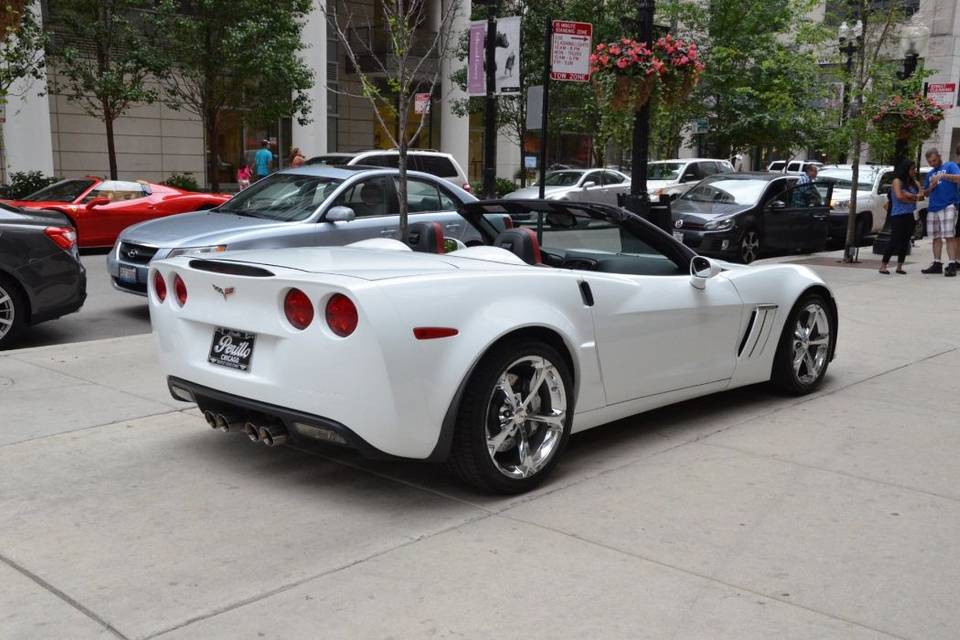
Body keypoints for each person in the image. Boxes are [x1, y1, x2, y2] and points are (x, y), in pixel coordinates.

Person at [920, 148, 960, 277]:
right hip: (933, 208)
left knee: (949, 236)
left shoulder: (950, 166)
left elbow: (959, 178)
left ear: (939, 156)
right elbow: (924, 193)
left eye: (934, 160)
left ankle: (952, 264)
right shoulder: (930, 173)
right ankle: (937, 263)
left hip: (948, 205)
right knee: (936, 237)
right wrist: (932, 186)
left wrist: (943, 176)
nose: (932, 163)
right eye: (930, 162)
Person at [880, 159, 922, 275]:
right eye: (912, 169)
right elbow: (899, 196)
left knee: (905, 240)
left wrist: (909, 195)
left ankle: (899, 266)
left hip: (911, 214)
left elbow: (921, 196)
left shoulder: (915, 183)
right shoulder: (897, 181)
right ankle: (883, 265)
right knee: (895, 239)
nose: (914, 171)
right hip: (898, 214)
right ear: (906, 169)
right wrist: (912, 197)